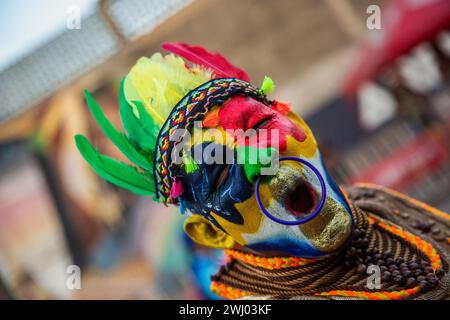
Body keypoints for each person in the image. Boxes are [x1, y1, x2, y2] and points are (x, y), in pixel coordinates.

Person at [75, 43, 449, 299]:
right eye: (220, 174)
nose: (261, 162)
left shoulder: (376, 202)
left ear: (299, 124)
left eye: (256, 128)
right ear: (210, 232)